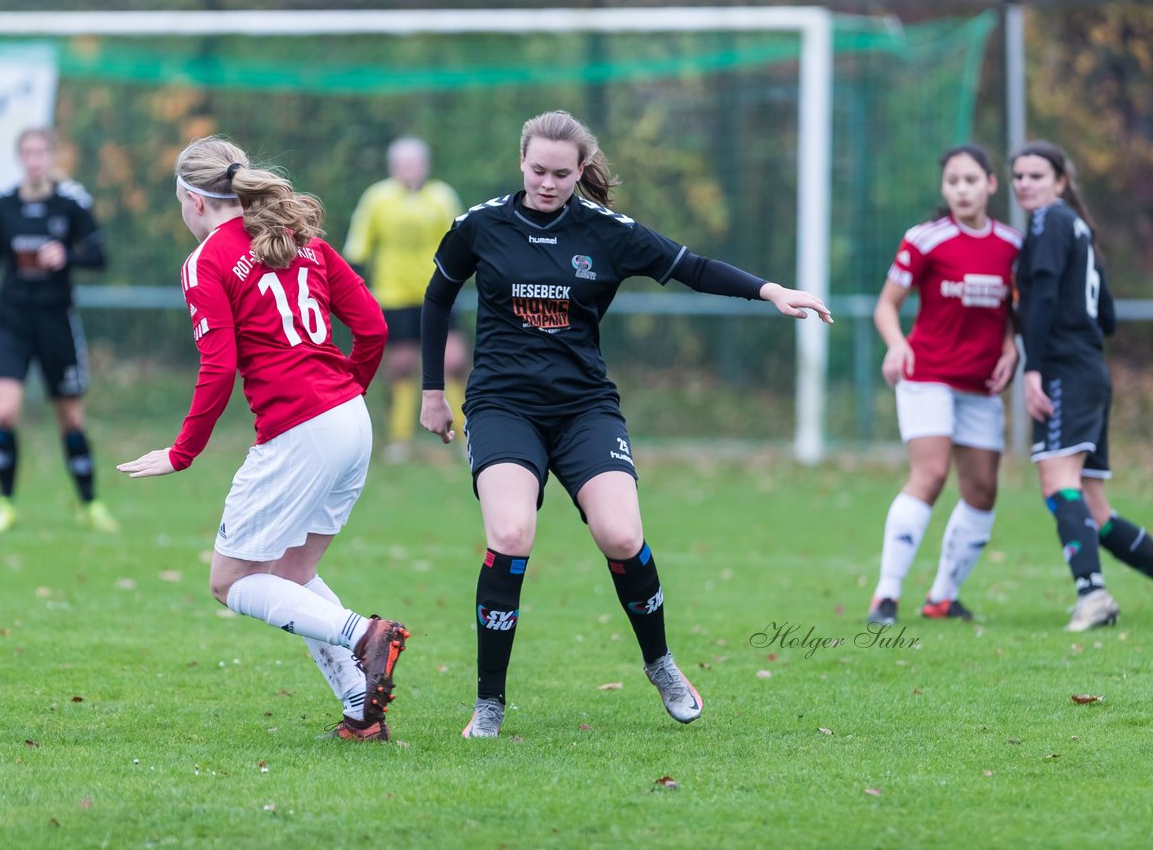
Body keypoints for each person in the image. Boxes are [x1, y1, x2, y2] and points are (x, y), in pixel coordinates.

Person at [418, 110, 833, 738]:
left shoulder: (607, 232)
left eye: (562, 173)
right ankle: (490, 703)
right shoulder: (481, 226)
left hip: (584, 407)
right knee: (511, 531)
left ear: (581, 171)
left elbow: (689, 266)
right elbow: (437, 297)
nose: (548, 183)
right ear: (520, 162)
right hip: (503, 405)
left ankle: (660, 663)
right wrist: (432, 391)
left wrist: (770, 290)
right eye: (538, 171)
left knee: (619, 534)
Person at [116, 136, 409, 741]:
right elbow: (374, 328)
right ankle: (361, 712)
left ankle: (365, 635)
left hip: (302, 428)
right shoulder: (300, 238)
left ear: (194, 200)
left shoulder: (207, 261)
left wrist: (182, 453)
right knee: (291, 573)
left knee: (230, 582)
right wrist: (341, 394)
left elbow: (218, 368)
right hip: (352, 421)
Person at [866, 144, 1022, 627]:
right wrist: (897, 344)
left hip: (979, 385)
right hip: (927, 376)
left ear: (991, 184)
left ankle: (943, 597)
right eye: (953, 181)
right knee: (930, 475)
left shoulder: (1013, 246)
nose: (962, 189)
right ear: (944, 187)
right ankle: (885, 598)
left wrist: (1012, 349)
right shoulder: (924, 239)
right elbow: (885, 306)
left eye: (971, 180)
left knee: (982, 490)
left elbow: (1012, 315)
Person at [1011, 139, 1153, 632]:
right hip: (1091, 368)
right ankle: (1100, 587)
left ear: (1060, 182)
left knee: (1057, 482)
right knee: (1096, 508)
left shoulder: (1049, 222)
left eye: (1036, 175)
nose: (1025, 183)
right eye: (1018, 176)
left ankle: (1093, 596)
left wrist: (1033, 365)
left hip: (1065, 370)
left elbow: (1046, 294)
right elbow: (1109, 317)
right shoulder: (1080, 230)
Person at [0, 126, 118, 533]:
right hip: (11, 320)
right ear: (20, 158)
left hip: (55, 321)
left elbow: (99, 256)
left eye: (41, 152)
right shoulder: (1, 206)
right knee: (4, 413)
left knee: (71, 419)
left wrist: (67, 254)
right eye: (27, 152)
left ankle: (90, 503)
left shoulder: (71, 204)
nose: (34, 159)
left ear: (52, 156)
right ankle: (4, 504)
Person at [343, 136, 468, 462]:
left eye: (415, 163)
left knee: (453, 361)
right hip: (394, 296)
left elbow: (459, 241)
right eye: (403, 164)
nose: (410, 170)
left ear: (425, 165)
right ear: (393, 167)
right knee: (401, 366)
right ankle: (399, 439)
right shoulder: (378, 198)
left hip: (437, 295)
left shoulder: (442, 197)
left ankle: (464, 434)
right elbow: (358, 245)